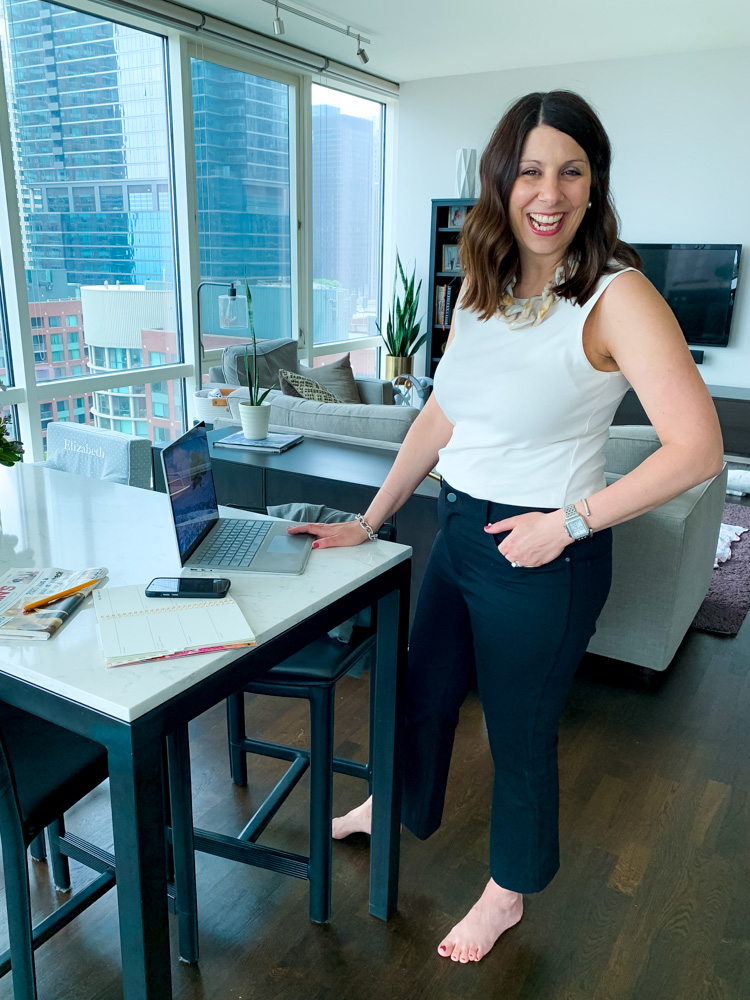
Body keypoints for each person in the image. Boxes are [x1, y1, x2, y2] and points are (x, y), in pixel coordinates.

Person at [288, 91, 723, 965]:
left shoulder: (616, 295)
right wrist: (371, 522)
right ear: (502, 182)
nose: (548, 193)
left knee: (518, 734)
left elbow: (701, 448)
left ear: (595, 186)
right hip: (454, 534)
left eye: (571, 171)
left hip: (541, 556)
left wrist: (568, 523)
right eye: (530, 170)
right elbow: (437, 421)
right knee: (425, 690)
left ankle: (507, 892)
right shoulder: (483, 289)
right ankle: (398, 801)